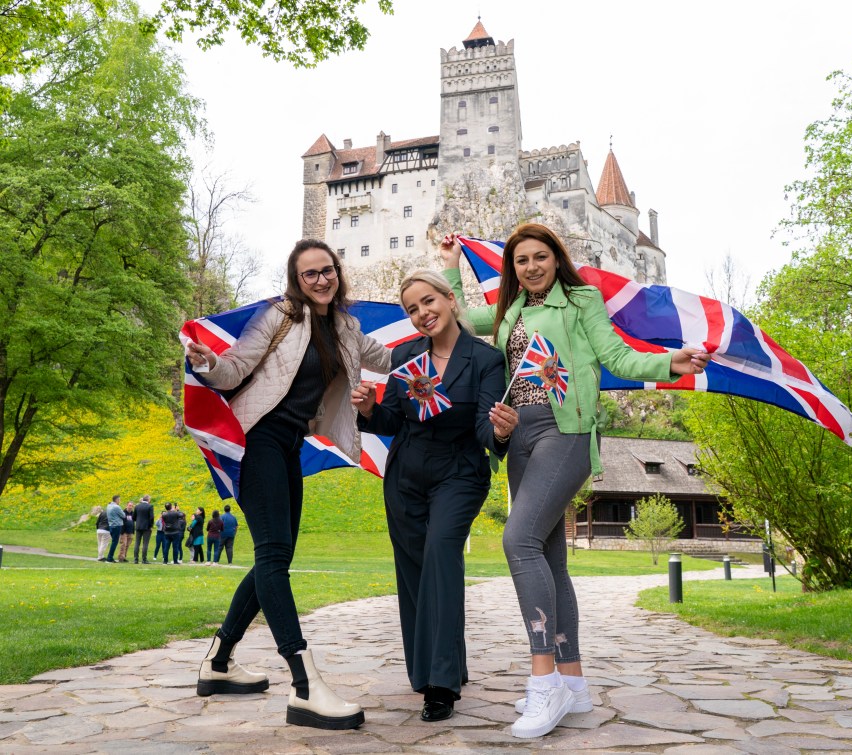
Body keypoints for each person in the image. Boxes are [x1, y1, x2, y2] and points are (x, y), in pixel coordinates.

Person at [440, 223, 710, 738]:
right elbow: (457, 315)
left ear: (555, 259)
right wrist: (452, 263)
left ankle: (545, 685)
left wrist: (668, 363)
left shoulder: (581, 301)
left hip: (566, 431)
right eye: (521, 261)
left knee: (518, 541)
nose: (531, 267)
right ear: (511, 269)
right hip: (520, 436)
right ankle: (574, 682)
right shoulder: (508, 312)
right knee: (550, 557)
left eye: (540, 257)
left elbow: (615, 357)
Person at [185, 238, 391, 730]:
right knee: (274, 555)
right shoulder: (280, 317)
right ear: (296, 281)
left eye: (327, 270)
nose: (321, 280)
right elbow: (235, 367)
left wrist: (440, 329)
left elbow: (386, 360)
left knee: (275, 557)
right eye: (309, 274)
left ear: (337, 272)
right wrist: (206, 363)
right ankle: (305, 685)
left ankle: (218, 663)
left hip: (289, 446)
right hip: (258, 439)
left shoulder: (346, 327)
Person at [351, 270, 518, 723]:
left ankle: (441, 685)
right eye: (412, 309)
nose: (422, 313)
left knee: (443, 555)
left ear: (449, 298)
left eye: (428, 302)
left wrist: (500, 431)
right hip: (406, 473)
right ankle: (433, 668)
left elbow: (484, 428)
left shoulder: (485, 359)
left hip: (459, 474)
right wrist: (368, 410)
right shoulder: (404, 356)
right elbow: (392, 420)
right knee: (414, 572)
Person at [134, 495, 155, 564]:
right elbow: (151, 517)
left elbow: (134, 517)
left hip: (138, 526)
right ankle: (144, 559)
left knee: (137, 543)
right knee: (145, 543)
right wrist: (151, 525)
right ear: (148, 500)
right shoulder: (150, 506)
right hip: (146, 527)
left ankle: (136, 559)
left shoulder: (137, 506)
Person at [104, 495, 125, 563]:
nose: (120, 501)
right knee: (115, 542)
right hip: (117, 525)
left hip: (111, 525)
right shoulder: (116, 507)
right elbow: (123, 515)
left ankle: (110, 556)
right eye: (119, 500)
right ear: (116, 500)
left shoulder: (108, 506)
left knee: (113, 541)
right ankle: (110, 557)